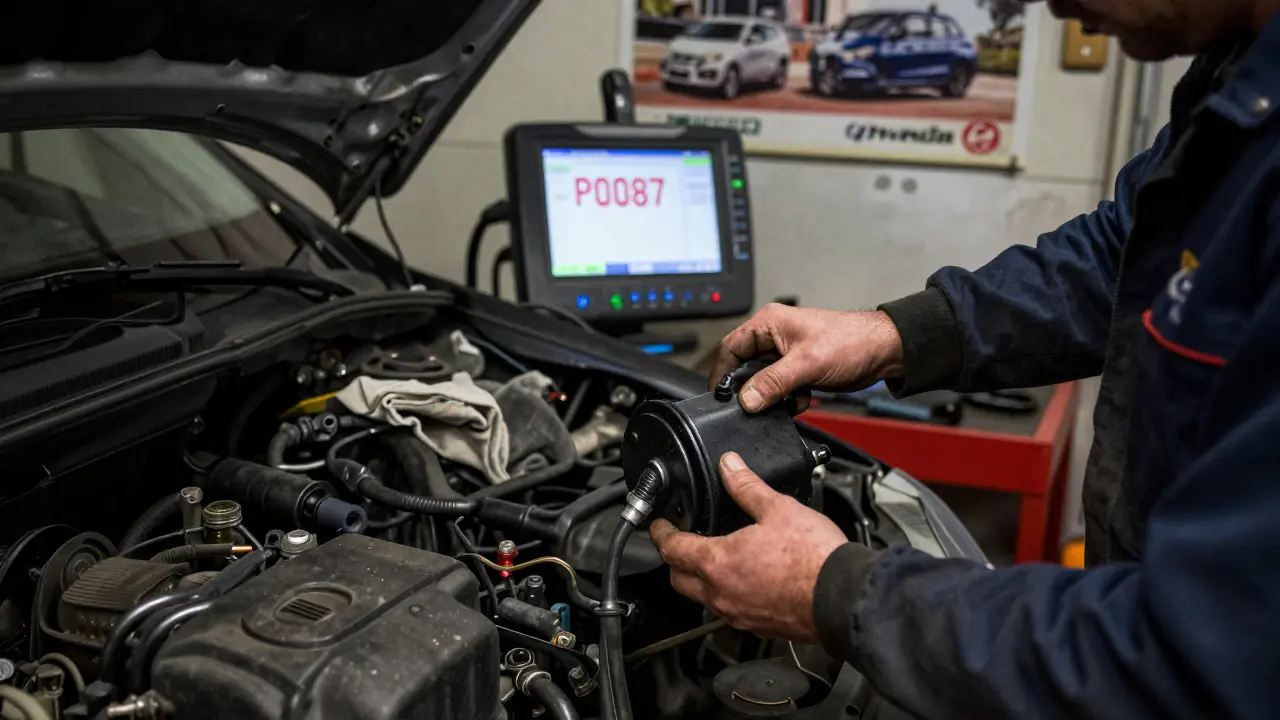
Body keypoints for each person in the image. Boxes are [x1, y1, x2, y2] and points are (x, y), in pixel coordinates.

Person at [647, 0, 1280, 717]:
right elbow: (1118, 256)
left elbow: (1206, 649)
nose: (1055, 7)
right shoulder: (1236, 81)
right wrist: (891, 335)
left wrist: (835, 591)